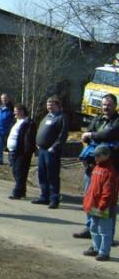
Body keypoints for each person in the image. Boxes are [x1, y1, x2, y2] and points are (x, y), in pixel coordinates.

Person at [74, 93, 119, 239]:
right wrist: (91, 136)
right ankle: (91, 229)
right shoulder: (97, 119)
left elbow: (108, 134)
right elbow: (87, 134)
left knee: (106, 202)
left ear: (115, 106)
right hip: (92, 166)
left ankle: (106, 235)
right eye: (104, 105)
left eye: (109, 105)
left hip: (110, 169)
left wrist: (92, 135)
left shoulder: (117, 121)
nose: (106, 107)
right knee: (91, 198)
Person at [82, 144, 118, 261]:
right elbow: (91, 188)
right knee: (94, 228)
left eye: (98, 156)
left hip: (104, 207)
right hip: (94, 205)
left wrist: (102, 205)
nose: (96, 158)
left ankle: (104, 252)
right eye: (95, 156)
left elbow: (108, 192)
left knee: (104, 230)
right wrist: (88, 202)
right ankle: (96, 247)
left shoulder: (110, 172)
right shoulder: (96, 168)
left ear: (106, 156)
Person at [33, 96, 68, 209]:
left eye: (51, 104)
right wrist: (38, 143)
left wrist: (54, 147)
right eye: (48, 105)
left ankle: (54, 199)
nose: (49, 107)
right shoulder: (47, 116)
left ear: (57, 105)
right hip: (42, 150)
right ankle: (44, 196)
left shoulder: (61, 118)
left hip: (51, 151)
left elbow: (62, 135)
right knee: (42, 174)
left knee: (52, 175)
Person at [6, 103, 37, 200]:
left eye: (17, 110)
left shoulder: (27, 123)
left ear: (22, 111)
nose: (15, 112)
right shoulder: (17, 121)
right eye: (14, 110)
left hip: (20, 152)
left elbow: (28, 139)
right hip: (12, 151)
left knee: (20, 172)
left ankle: (17, 192)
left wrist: (26, 151)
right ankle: (22, 191)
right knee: (15, 172)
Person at [0, 93, 14, 165]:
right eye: (2, 98)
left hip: (8, 131)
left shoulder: (11, 108)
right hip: (0, 130)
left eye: (5, 98)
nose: (4, 100)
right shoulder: (0, 108)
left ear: (8, 99)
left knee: (9, 147)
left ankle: (11, 160)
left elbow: (13, 119)